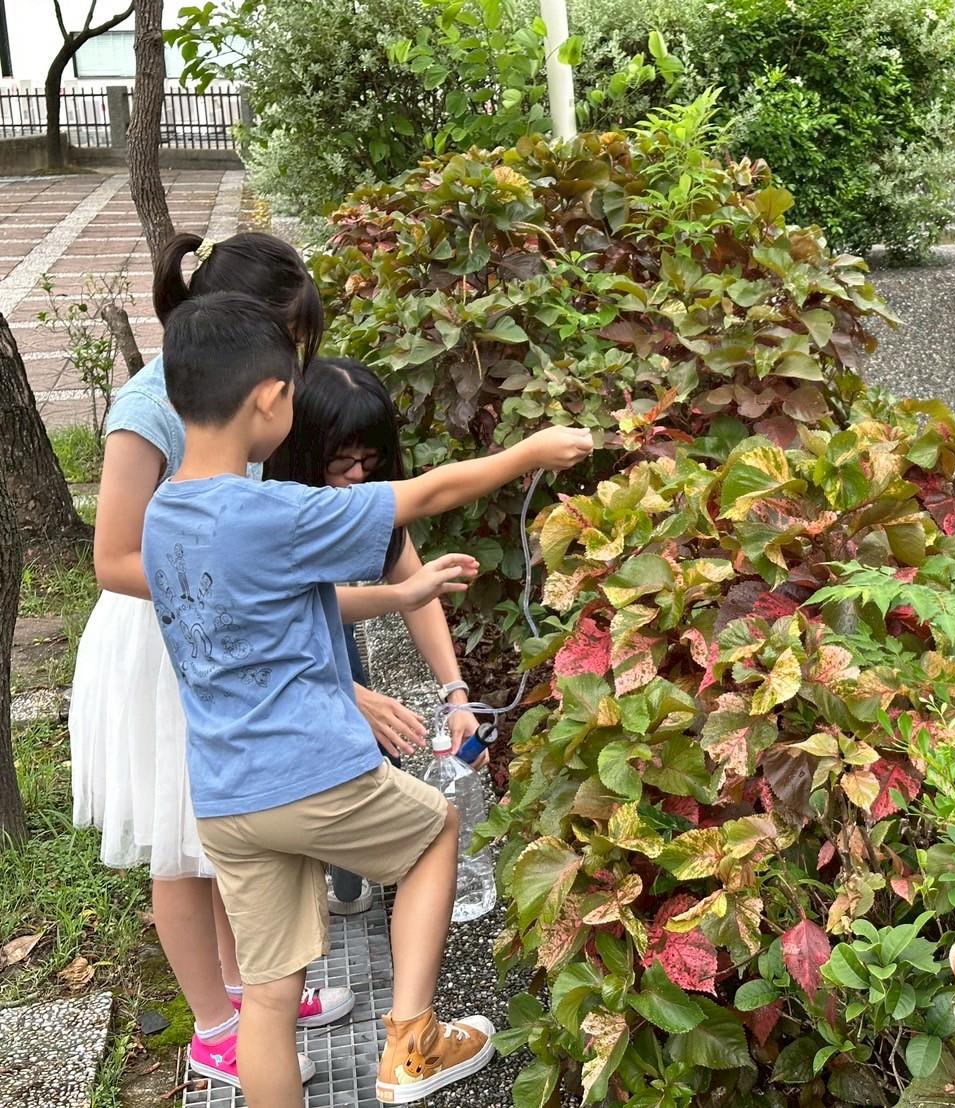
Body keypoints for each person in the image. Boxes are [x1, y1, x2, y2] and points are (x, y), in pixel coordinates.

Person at [141, 291, 592, 1106]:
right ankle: (412, 1044)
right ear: (270, 399)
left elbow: (273, 609)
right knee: (434, 830)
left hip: (226, 796)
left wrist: (400, 595)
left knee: (269, 1000)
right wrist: (528, 452)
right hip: (310, 771)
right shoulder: (274, 511)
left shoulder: (163, 516)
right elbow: (423, 496)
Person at [70, 232, 474, 1090]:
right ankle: (223, 1024)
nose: (293, 366)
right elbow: (116, 559)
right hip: (174, 632)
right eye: (288, 343)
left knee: (237, 886)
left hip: (235, 650)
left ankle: (251, 999)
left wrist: (441, 683)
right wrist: (331, 679)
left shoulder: (240, 415)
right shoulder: (163, 411)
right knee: (175, 841)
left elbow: (366, 562)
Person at [264, 357, 486, 917]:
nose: (359, 476)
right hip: (269, 679)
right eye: (342, 461)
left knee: (371, 750)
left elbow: (414, 587)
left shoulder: (361, 503)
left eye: (372, 460)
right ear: (302, 448)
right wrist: (343, 693)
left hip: (325, 652)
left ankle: (347, 883)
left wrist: (455, 694)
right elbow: (277, 617)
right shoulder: (269, 507)